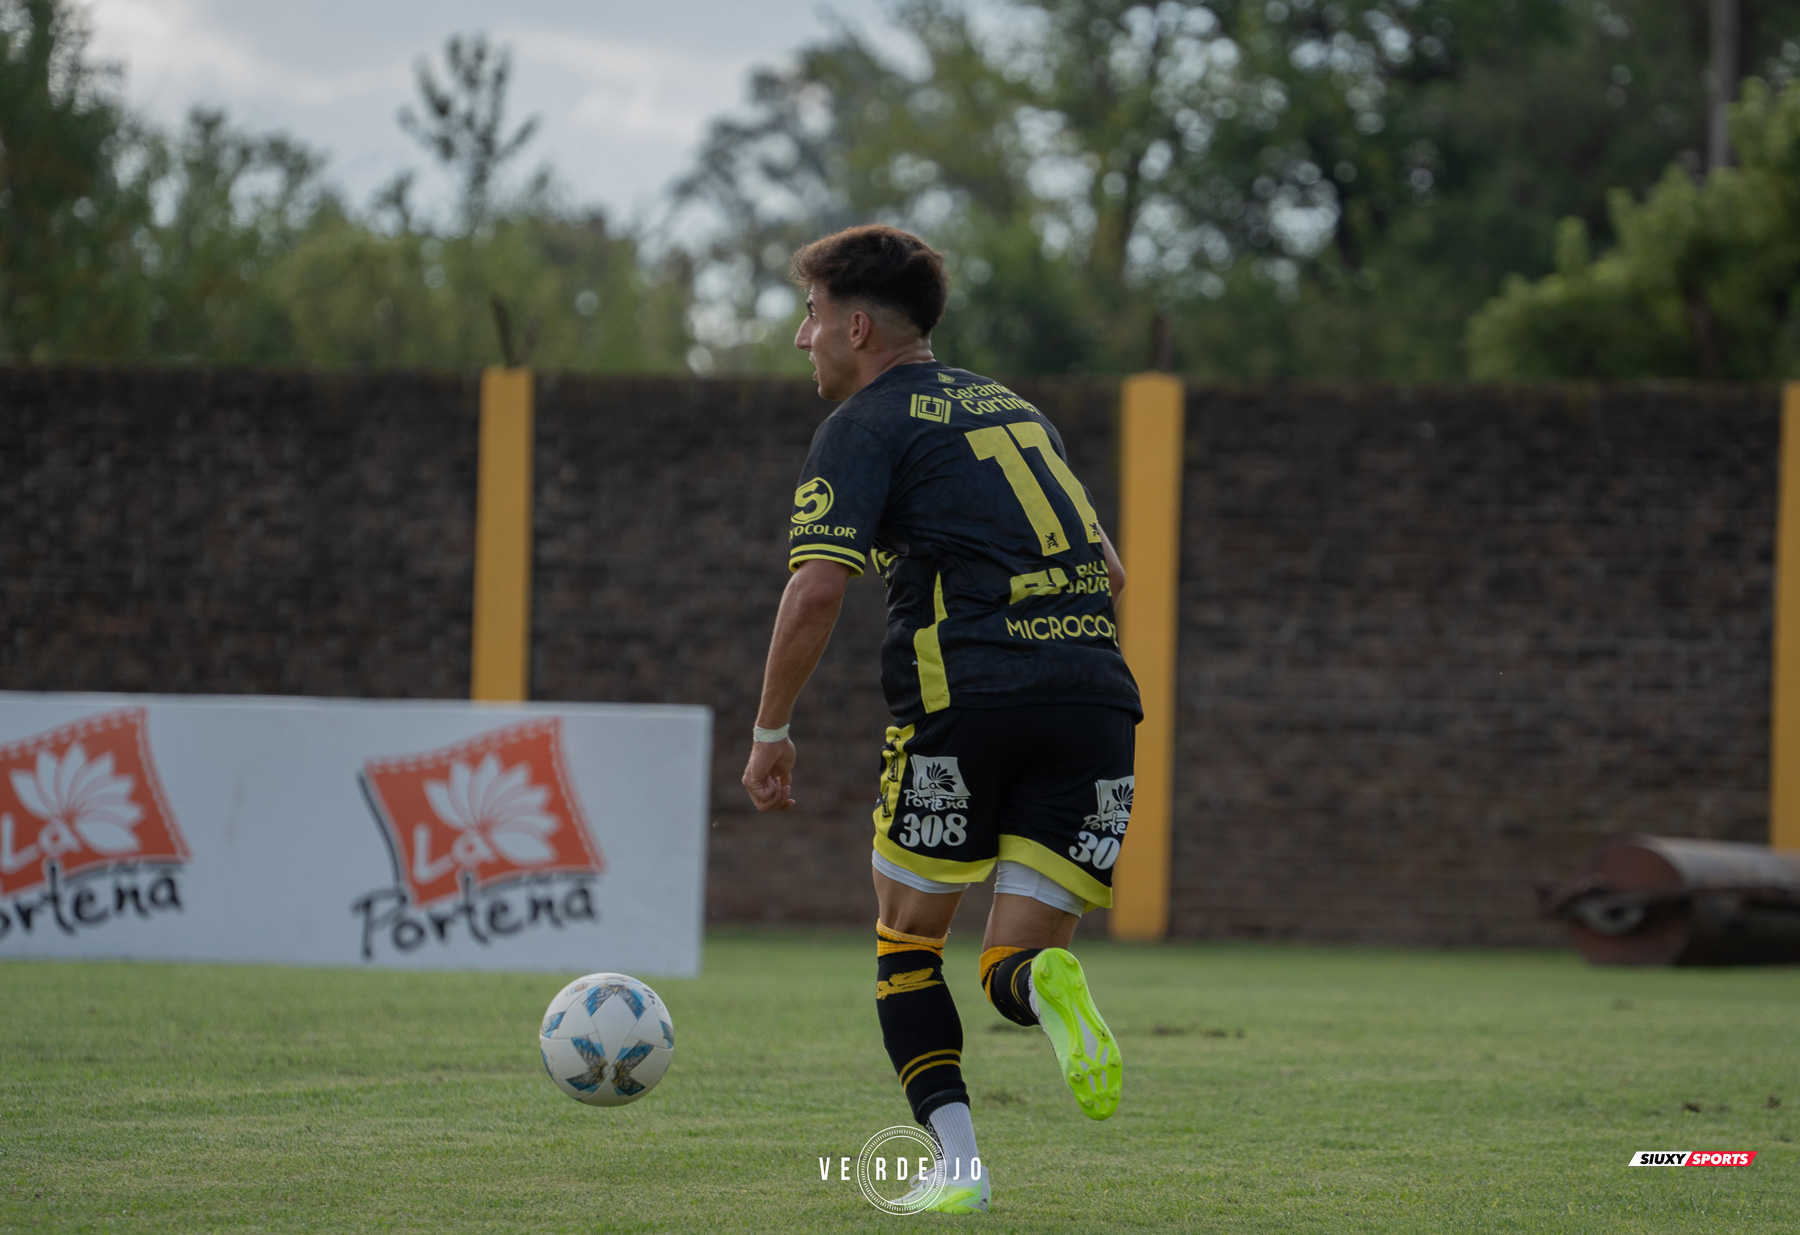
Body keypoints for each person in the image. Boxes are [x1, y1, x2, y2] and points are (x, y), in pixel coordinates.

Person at [740, 223, 1141, 1215]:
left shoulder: (864, 424)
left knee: (907, 941)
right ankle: (1044, 983)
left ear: (860, 327)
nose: (804, 338)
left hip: (963, 701)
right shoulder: (1015, 407)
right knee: (1014, 957)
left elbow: (817, 591)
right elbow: (1115, 573)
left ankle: (959, 1164)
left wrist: (770, 730)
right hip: (1096, 700)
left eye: (813, 315)